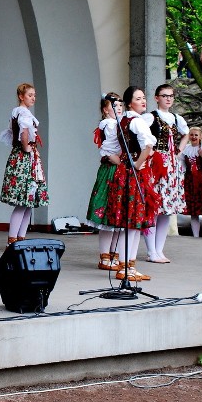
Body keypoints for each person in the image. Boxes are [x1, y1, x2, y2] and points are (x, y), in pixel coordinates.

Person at [105, 86, 160, 282]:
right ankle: (126, 267)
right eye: (139, 98)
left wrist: (124, 163)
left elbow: (108, 149)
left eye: (144, 98)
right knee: (133, 221)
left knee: (132, 223)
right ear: (130, 103)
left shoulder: (121, 121)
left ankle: (127, 266)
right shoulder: (137, 122)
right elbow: (149, 146)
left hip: (124, 173)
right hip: (137, 174)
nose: (143, 101)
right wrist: (137, 164)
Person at [0, 83, 50, 245]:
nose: (33, 98)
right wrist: (26, 147)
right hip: (25, 159)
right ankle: (14, 238)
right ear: (21, 96)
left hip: (25, 157)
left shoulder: (18, 112)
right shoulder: (23, 113)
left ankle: (20, 238)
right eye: (30, 95)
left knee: (28, 202)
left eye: (34, 95)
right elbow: (24, 132)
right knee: (23, 200)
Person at [142, 84, 188, 263]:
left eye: (171, 96)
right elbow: (139, 135)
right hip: (156, 165)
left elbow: (185, 134)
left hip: (171, 166)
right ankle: (151, 250)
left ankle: (159, 250)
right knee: (153, 207)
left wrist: (179, 150)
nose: (168, 98)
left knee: (166, 210)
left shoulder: (177, 118)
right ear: (157, 98)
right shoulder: (150, 117)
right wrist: (149, 150)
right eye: (164, 95)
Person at [85, 93, 124, 271]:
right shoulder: (108, 124)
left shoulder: (122, 124)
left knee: (118, 216)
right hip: (112, 170)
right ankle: (105, 256)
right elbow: (108, 150)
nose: (118, 108)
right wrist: (120, 161)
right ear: (105, 110)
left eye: (120, 105)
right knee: (108, 214)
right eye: (114, 106)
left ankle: (114, 255)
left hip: (121, 169)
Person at [181, 126, 202, 238]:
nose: (194, 137)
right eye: (192, 135)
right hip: (190, 180)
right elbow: (183, 166)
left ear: (201, 136)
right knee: (193, 211)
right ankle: (195, 236)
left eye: (196, 135)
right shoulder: (186, 149)